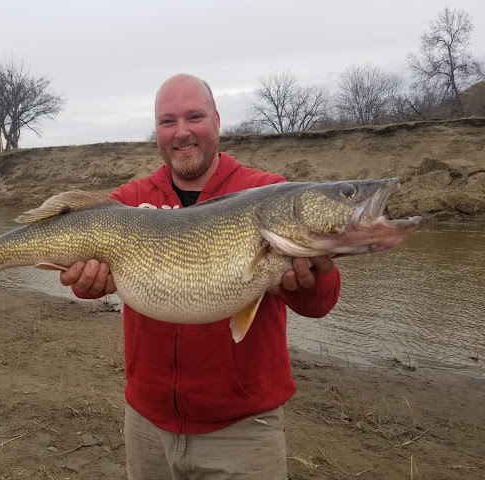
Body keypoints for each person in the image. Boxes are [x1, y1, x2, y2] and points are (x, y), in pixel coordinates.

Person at [60, 74, 341, 479]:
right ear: (156, 130)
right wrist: (87, 284)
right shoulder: (129, 201)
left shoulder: (270, 193)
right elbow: (87, 283)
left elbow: (320, 303)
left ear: (217, 120)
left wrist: (312, 280)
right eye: (167, 121)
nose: (182, 132)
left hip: (244, 430)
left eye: (194, 117)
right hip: (146, 424)